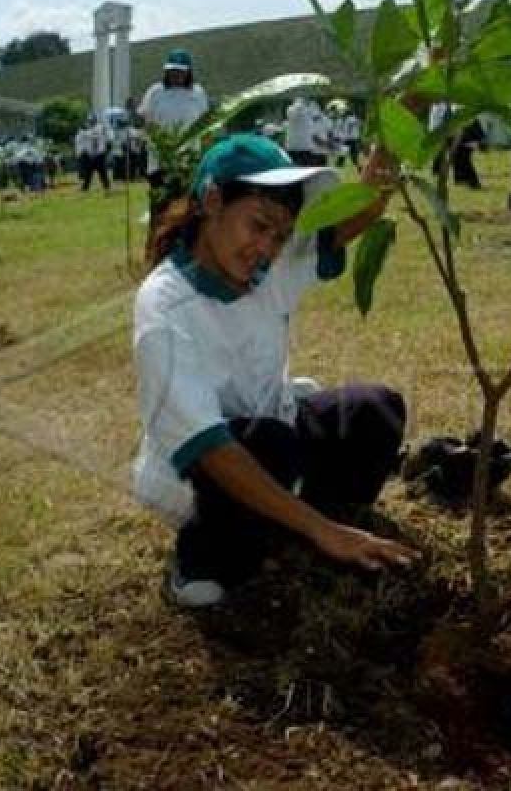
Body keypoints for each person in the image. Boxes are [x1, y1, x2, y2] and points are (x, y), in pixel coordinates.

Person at [133, 133, 417, 607]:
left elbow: (361, 210)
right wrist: (322, 530)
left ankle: (297, 521)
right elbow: (212, 449)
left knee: (376, 411)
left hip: (276, 431)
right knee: (270, 448)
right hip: (202, 471)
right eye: (258, 226)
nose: (266, 248)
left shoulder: (266, 265)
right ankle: (201, 558)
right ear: (212, 201)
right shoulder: (165, 308)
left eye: (279, 235)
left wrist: (410, 103)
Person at [137, 48, 210, 205]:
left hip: (189, 160)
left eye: (180, 71)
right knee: (162, 205)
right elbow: (145, 120)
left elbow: (205, 124)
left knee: (188, 205)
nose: (175, 75)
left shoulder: (198, 93)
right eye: (172, 71)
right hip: (161, 160)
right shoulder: (155, 92)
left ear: (188, 72)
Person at [284, 97, 328, 167]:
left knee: (298, 168)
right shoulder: (300, 110)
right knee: (304, 169)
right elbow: (316, 117)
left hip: (297, 146)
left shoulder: (291, 110)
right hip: (302, 146)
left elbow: (316, 118)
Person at [78, 115, 112, 192]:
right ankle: (85, 187)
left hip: (100, 153)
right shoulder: (86, 129)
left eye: (92, 121)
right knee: (88, 172)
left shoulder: (101, 128)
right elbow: (82, 139)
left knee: (102, 171)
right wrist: (83, 151)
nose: (90, 122)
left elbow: (109, 137)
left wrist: (107, 147)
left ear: (95, 120)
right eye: (89, 121)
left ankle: (107, 186)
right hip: (91, 154)